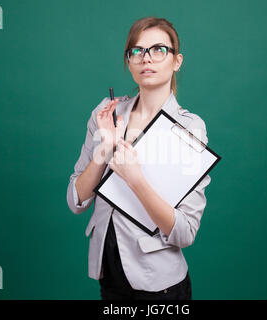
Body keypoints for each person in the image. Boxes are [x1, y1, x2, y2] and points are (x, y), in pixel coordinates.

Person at [67, 16, 212, 300]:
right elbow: (76, 201)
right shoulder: (107, 113)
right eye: (137, 51)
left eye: (159, 49)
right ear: (129, 61)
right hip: (108, 274)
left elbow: (185, 232)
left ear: (177, 61)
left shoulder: (189, 129)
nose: (146, 58)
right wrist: (104, 150)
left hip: (160, 285)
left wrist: (135, 180)